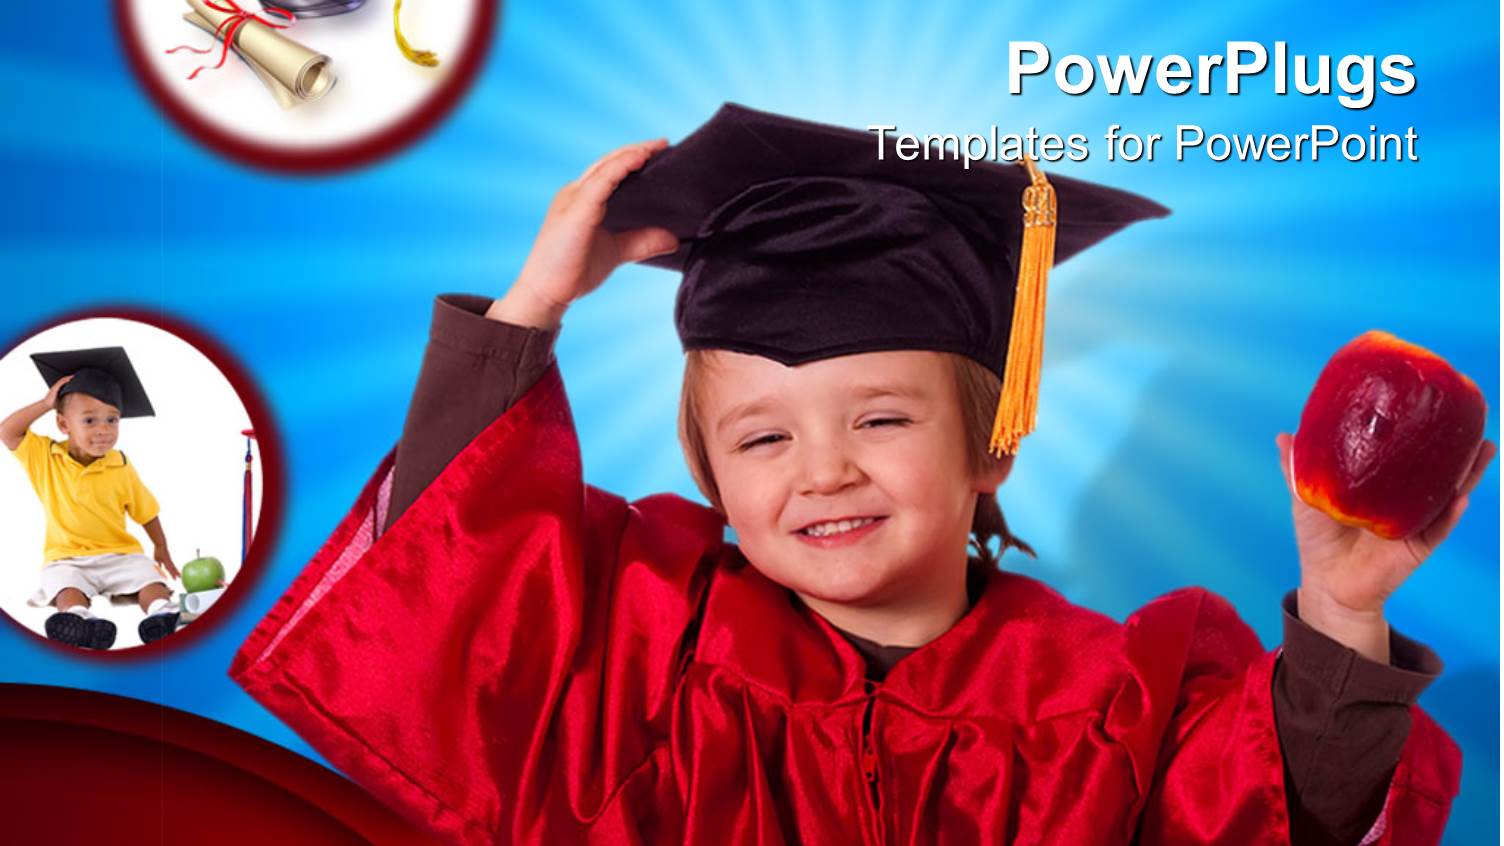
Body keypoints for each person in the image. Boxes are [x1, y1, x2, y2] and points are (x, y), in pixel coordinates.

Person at [232, 105, 1491, 844]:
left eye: (881, 418)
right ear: (711, 477)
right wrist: (532, 307)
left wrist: (1339, 608)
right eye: (761, 438)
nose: (822, 470)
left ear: (991, 441)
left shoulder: (1126, 699)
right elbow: (451, 588)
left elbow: (1284, 814)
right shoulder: (640, 648)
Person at [2, 347, 180, 649]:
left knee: (148, 575)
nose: (104, 431)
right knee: (63, 583)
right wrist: (46, 403)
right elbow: (8, 432)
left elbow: (145, 510)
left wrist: (160, 547)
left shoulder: (120, 465)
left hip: (119, 554)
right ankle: (79, 619)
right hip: (67, 556)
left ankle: (161, 615)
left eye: (112, 420)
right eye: (89, 421)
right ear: (63, 424)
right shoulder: (45, 456)